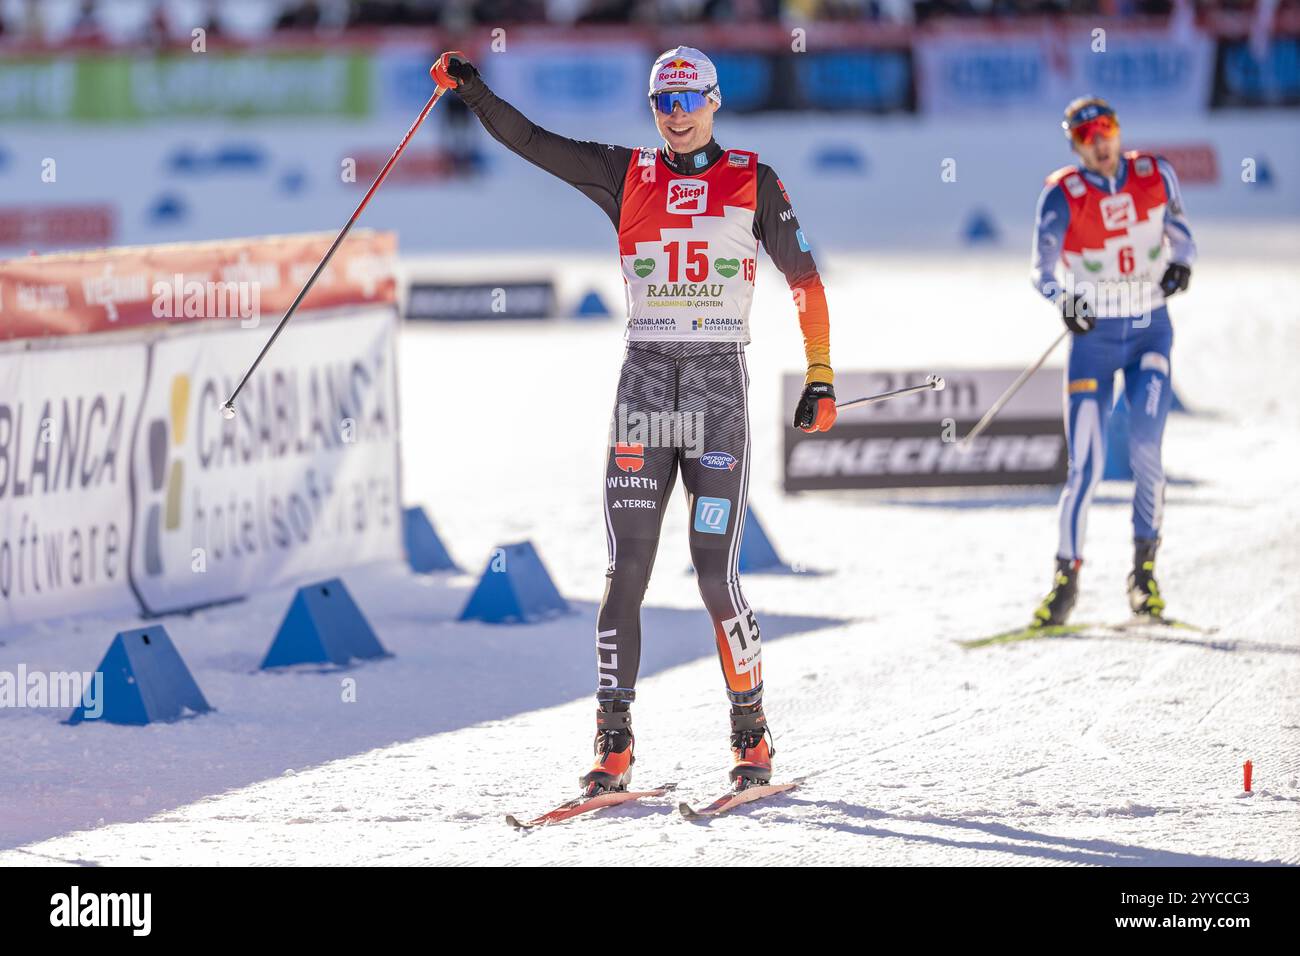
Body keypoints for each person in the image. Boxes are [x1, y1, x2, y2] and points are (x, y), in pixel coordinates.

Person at [431, 46, 838, 793]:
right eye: (663, 102)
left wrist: (819, 374)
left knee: (716, 575)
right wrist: (474, 92)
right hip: (646, 389)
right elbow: (532, 142)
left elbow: (805, 279)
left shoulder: (754, 178)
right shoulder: (626, 174)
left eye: (688, 101)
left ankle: (751, 731)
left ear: (714, 102)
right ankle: (612, 742)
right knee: (625, 576)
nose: (676, 116)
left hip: (716, 390)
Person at [1029, 96, 1195, 627]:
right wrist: (1065, 301)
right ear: (1075, 145)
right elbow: (1042, 268)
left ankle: (1143, 574)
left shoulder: (1154, 173)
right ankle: (1065, 580)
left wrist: (1182, 268)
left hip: (1149, 331)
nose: (1099, 143)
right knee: (1086, 466)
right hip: (1096, 341)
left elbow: (1182, 238)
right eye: (1085, 136)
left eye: (1105, 130)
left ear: (1118, 131)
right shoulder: (1062, 195)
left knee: (1146, 446)